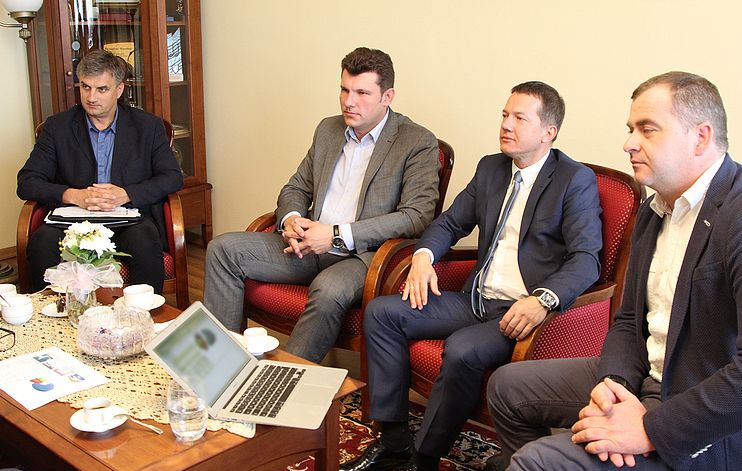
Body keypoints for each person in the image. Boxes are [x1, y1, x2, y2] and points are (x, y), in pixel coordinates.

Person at [487, 72, 742, 471]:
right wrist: (613, 384)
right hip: (647, 377)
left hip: (712, 417)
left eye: (647, 129)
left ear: (700, 137)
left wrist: (650, 429)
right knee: (507, 387)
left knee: (539, 468)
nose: (629, 143)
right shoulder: (656, 210)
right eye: (630, 129)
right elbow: (630, 318)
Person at [340, 81, 603, 471]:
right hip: (475, 298)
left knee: (462, 349)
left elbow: (587, 259)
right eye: (505, 115)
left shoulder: (574, 181)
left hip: (520, 313)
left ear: (549, 132)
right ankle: (393, 440)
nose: (506, 125)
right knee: (384, 312)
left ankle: (423, 464)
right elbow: (449, 223)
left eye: (519, 118)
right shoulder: (491, 168)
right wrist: (423, 257)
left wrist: (542, 299)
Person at [203, 47, 440, 363]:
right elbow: (296, 187)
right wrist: (291, 219)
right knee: (223, 250)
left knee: (328, 288)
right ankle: (221, 364)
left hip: (364, 257)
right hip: (305, 246)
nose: (348, 101)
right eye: (344, 89)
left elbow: (416, 216)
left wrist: (336, 235)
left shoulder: (416, 141)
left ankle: (284, 381)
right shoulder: (328, 129)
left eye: (362, 93)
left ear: (388, 96)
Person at [17, 50, 183, 294]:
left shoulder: (148, 126)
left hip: (128, 219)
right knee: (41, 243)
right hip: (73, 221)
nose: (91, 97)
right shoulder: (57, 127)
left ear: (119, 89)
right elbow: (27, 182)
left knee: (146, 242)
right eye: (85, 87)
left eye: (102, 89)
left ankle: (142, 314)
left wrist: (126, 194)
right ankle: (51, 315)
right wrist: (74, 195)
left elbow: (172, 176)